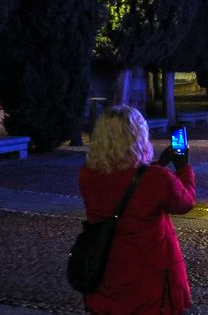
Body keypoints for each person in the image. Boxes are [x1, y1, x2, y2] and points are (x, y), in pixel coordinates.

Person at [78, 106, 195, 314]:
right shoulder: (156, 179)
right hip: (149, 278)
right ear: (138, 136)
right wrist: (183, 168)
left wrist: (159, 164)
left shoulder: (87, 175)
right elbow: (184, 202)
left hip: (107, 271)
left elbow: (123, 187)